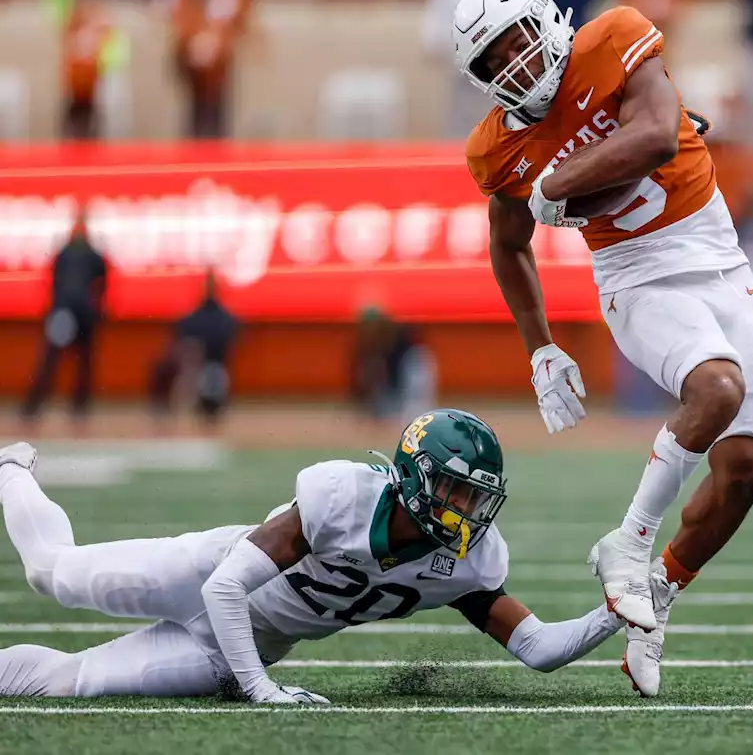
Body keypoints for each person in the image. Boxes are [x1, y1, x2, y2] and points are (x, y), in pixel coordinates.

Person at [457, 0, 753, 697]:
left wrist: (555, 184)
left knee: (748, 471)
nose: (512, 64)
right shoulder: (497, 148)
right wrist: (540, 345)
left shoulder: (612, 39)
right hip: (638, 275)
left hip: (717, 253)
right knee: (717, 389)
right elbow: (509, 243)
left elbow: (656, 134)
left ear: (548, 20)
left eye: (517, 40)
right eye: (492, 60)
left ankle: (657, 595)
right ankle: (628, 542)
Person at [0, 411, 645, 701]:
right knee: (49, 572)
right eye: (455, 492)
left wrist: (615, 612)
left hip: (240, 645)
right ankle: (10, 465)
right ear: (416, 478)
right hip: (201, 576)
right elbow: (224, 588)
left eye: (478, 499)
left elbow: (538, 649)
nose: (468, 513)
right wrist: (261, 692)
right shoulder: (341, 497)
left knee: (68, 683)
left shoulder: (469, 561)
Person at [21, 209, 108, 422]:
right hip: (69, 313)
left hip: (76, 314)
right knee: (55, 360)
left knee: (74, 361)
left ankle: (72, 406)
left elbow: (101, 283)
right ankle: (38, 406)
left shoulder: (85, 254)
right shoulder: (74, 253)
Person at [149, 271, 239, 426]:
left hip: (213, 367)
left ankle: (208, 406)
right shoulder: (195, 317)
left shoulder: (223, 318)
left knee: (209, 382)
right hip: (193, 367)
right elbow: (181, 336)